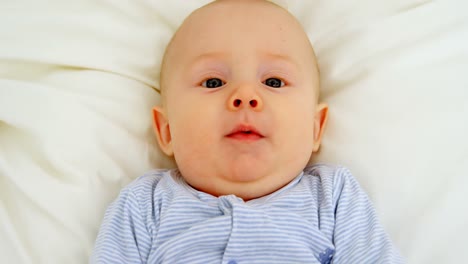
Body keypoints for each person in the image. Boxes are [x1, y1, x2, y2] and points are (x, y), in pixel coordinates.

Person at [91, 0, 404, 263]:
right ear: (167, 131)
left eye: (273, 82)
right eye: (213, 82)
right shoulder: (145, 203)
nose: (245, 95)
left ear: (314, 128)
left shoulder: (333, 197)